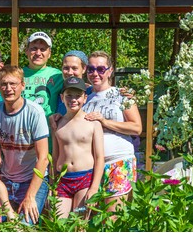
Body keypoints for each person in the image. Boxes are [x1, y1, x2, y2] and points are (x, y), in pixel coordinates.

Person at [0, 65, 49, 225]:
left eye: (13, 84)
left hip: (31, 180)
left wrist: (30, 196)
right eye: (4, 84)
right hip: (5, 180)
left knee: (24, 226)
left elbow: (43, 159)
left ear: (22, 85)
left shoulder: (35, 113)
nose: (8, 89)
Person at [82, 51, 142, 214]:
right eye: (91, 69)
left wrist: (105, 122)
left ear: (110, 71)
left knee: (112, 219)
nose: (95, 73)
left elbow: (136, 127)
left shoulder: (122, 95)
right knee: (90, 219)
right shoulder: (84, 97)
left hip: (118, 162)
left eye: (101, 69)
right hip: (91, 166)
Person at [52, 76, 104, 218]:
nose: (73, 99)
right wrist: (52, 185)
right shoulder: (57, 124)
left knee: (79, 225)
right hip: (62, 180)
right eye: (69, 96)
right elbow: (55, 157)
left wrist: (94, 188)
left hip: (84, 179)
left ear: (85, 98)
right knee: (58, 223)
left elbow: (99, 158)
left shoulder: (93, 123)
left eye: (78, 96)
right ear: (62, 97)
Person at [22, 31, 63, 152]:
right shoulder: (17, 73)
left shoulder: (57, 75)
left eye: (43, 49)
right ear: (27, 51)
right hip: (21, 137)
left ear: (49, 53)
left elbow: (78, 85)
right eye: (34, 48)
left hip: (47, 137)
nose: (38, 53)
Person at [56, 50, 92, 115]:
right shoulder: (57, 92)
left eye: (74, 68)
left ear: (84, 69)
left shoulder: (91, 93)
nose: (70, 72)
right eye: (66, 68)